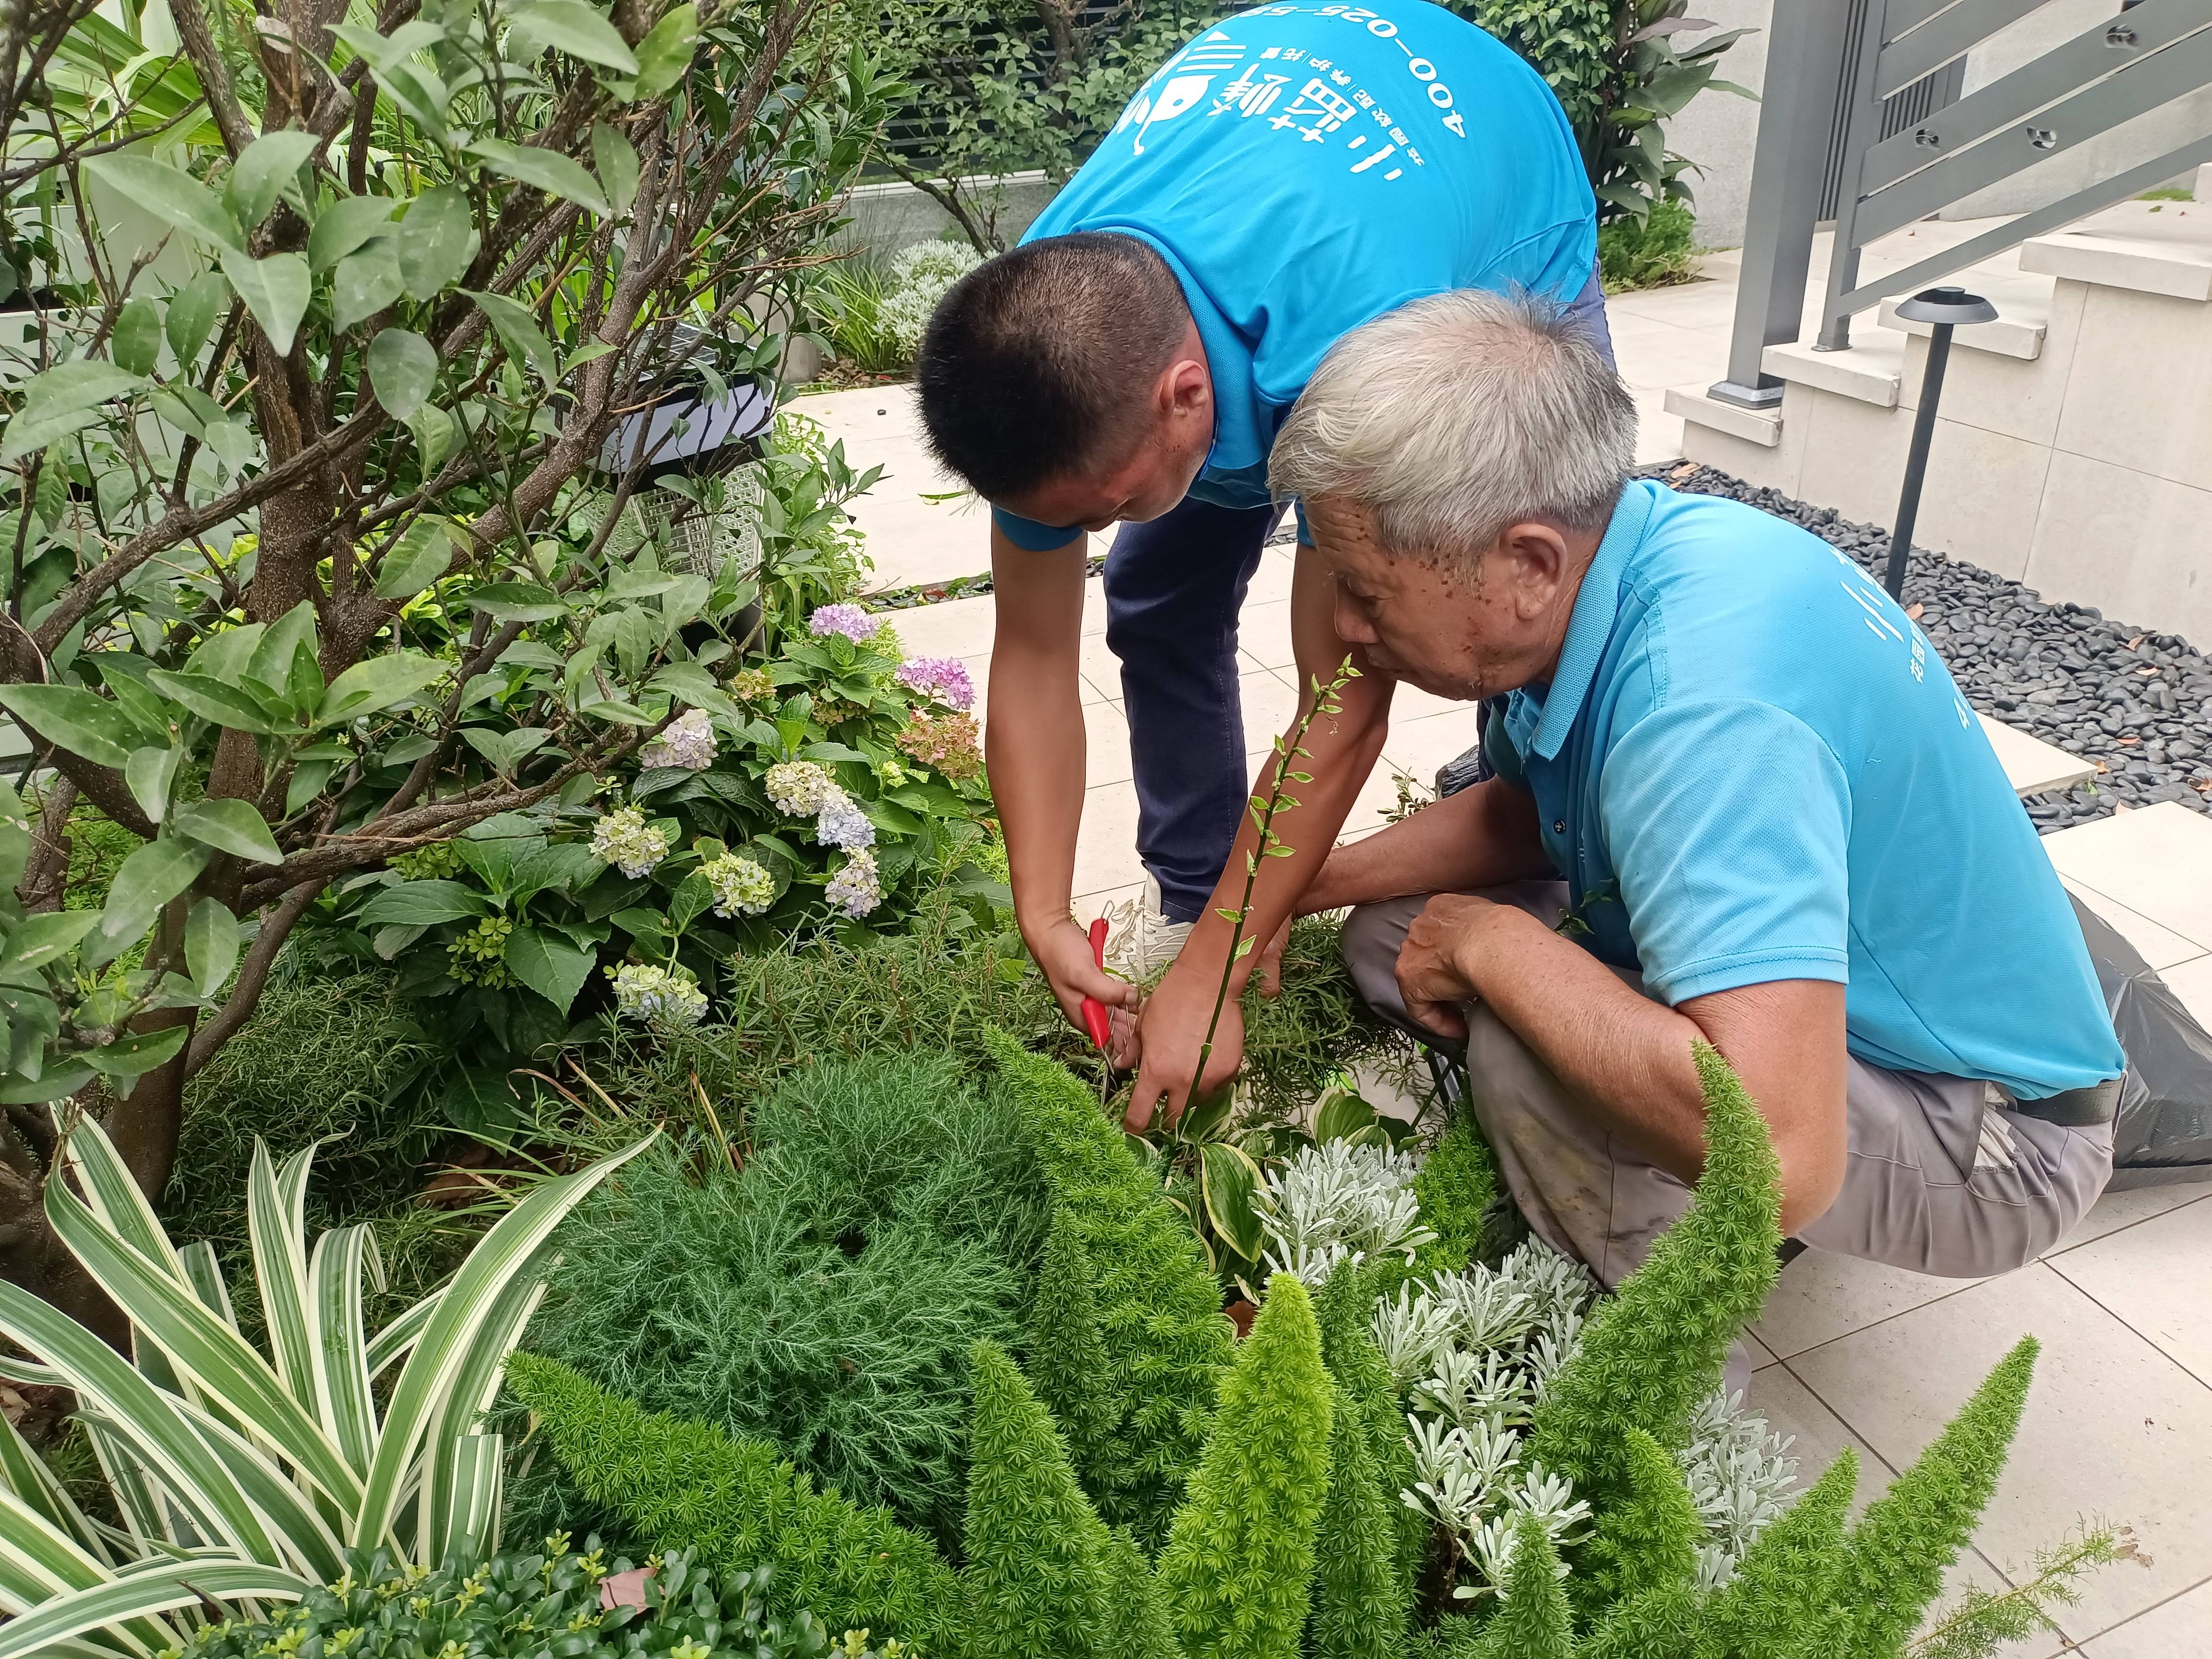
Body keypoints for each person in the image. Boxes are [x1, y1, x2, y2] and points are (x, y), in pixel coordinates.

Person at [1271, 287, 2126, 1292]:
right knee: (1393, 934)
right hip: (1858, 1028)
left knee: (1519, 1030)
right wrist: (1302, 886)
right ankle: (1630, 1155)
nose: (1349, 631)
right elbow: (1527, 813)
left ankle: (1646, 1383)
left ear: (1529, 564)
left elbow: (1778, 1156)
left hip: (1996, 1135)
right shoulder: (1624, 562)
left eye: (1367, 593)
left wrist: (1494, 947)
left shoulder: (1703, 708)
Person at [914, 2, 1606, 1121]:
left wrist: (1210, 980)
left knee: (1500, 621)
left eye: (1108, 504)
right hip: (1287, 198)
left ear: (1187, 395)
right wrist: (1043, 907)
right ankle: (1206, 897)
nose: (1085, 533)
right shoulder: (1049, 331)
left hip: (1495, 200)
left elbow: (1349, 693)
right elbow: (1035, 654)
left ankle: (1546, 884)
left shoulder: (1360, 351)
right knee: (1154, 592)